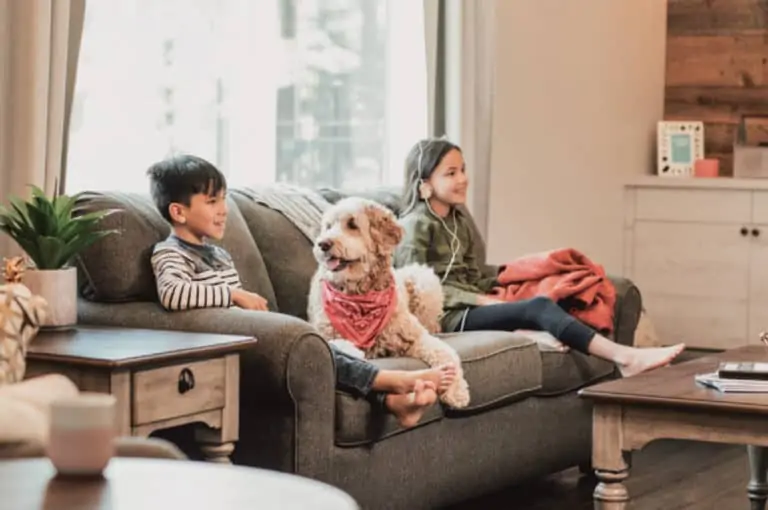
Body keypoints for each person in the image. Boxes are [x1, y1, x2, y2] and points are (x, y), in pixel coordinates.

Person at [146, 153, 457, 427]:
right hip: (228, 348)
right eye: (212, 201)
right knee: (325, 355)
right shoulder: (169, 253)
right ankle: (391, 381)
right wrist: (234, 296)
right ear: (178, 212)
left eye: (224, 200)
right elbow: (173, 294)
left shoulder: (219, 255)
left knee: (331, 359)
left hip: (247, 334)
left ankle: (393, 404)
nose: (223, 209)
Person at [393, 138, 685, 377]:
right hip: (446, 316)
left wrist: (517, 278)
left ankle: (527, 331)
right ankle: (626, 357)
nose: (463, 179)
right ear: (424, 183)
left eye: (463, 170)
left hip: (468, 306)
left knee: (549, 293)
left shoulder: (458, 221)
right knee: (539, 307)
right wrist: (480, 301)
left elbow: (473, 274)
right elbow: (414, 289)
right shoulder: (414, 225)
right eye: (451, 173)